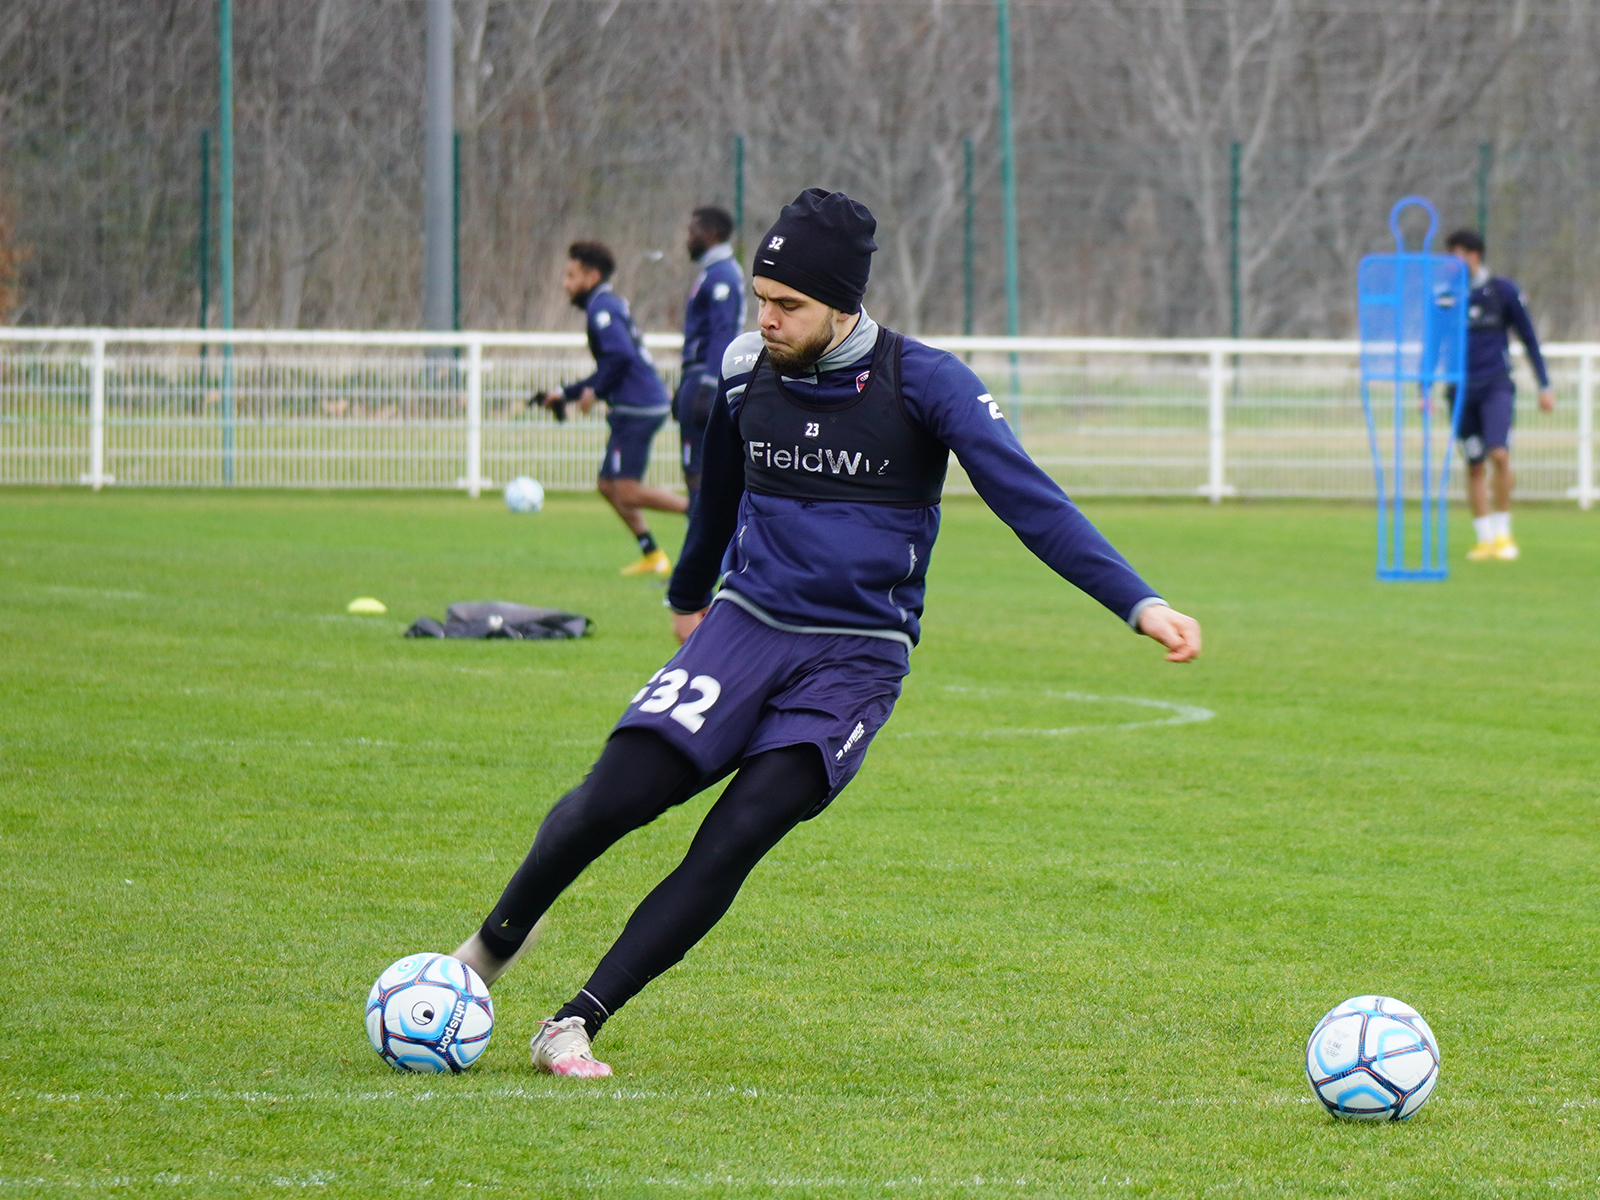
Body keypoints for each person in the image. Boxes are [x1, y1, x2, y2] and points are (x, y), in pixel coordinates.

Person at [462, 190, 1202, 1078]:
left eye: (787, 305)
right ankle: (485, 957)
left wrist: (1138, 602)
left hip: (856, 657)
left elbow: (1030, 501)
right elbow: (719, 497)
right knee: (613, 797)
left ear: (844, 304)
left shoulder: (927, 382)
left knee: (736, 834)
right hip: (745, 625)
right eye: (760, 297)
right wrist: (690, 592)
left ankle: (574, 1022)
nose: (765, 319)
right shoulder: (745, 369)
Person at [532, 240, 687, 576]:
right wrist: (566, 393)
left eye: (571, 275)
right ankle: (652, 553)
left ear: (591, 276)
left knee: (626, 489)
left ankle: (700, 513)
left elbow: (620, 356)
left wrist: (595, 392)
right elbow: (610, 364)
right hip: (638, 404)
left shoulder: (601, 307)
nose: (565, 284)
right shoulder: (608, 304)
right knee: (607, 485)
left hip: (638, 406)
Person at [1443, 229, 1554, 562]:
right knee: (1474, 463)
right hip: (1460, 390)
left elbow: (1528, 338)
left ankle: (1504, 532)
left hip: (1495, 385)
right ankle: (1484, 538)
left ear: (1474, 256)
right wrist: (1424, 389)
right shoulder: (1447, 295)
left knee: (1499, 454)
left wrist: (1543, 385)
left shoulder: (1503, 292)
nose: (1451, 263)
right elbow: (1436, 342)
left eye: (1456, 255)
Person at [676, 206, 746, 516]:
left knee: (701, 468)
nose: (689, 239)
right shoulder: (711, 272)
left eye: (694, 232)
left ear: (712, 234)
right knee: (692, 466)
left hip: (706, 376)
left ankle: (704, 548)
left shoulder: (722, 275)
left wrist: (707, 386)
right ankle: (700, 542)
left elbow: (722, 333)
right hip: (695, 374)